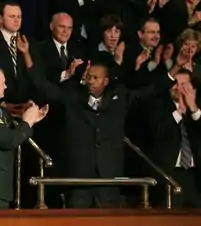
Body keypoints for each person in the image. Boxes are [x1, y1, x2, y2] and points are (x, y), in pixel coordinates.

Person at [17, 33, 189, 208]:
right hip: (78, 181)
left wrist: (177, 66)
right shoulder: (72, 97)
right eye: (89, 77)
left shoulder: (121, 98)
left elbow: (152, 90)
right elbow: (44, 86)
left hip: (109, 181)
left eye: (96, 78)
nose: (90, 81)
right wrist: (26, 54)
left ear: (106, 81)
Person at [0, 68, 49, 208]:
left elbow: (13, 132)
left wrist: (31, 120)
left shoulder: (2, 112)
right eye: (3, 83)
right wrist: (27, 122)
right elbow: (8, 140)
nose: (6, 86)